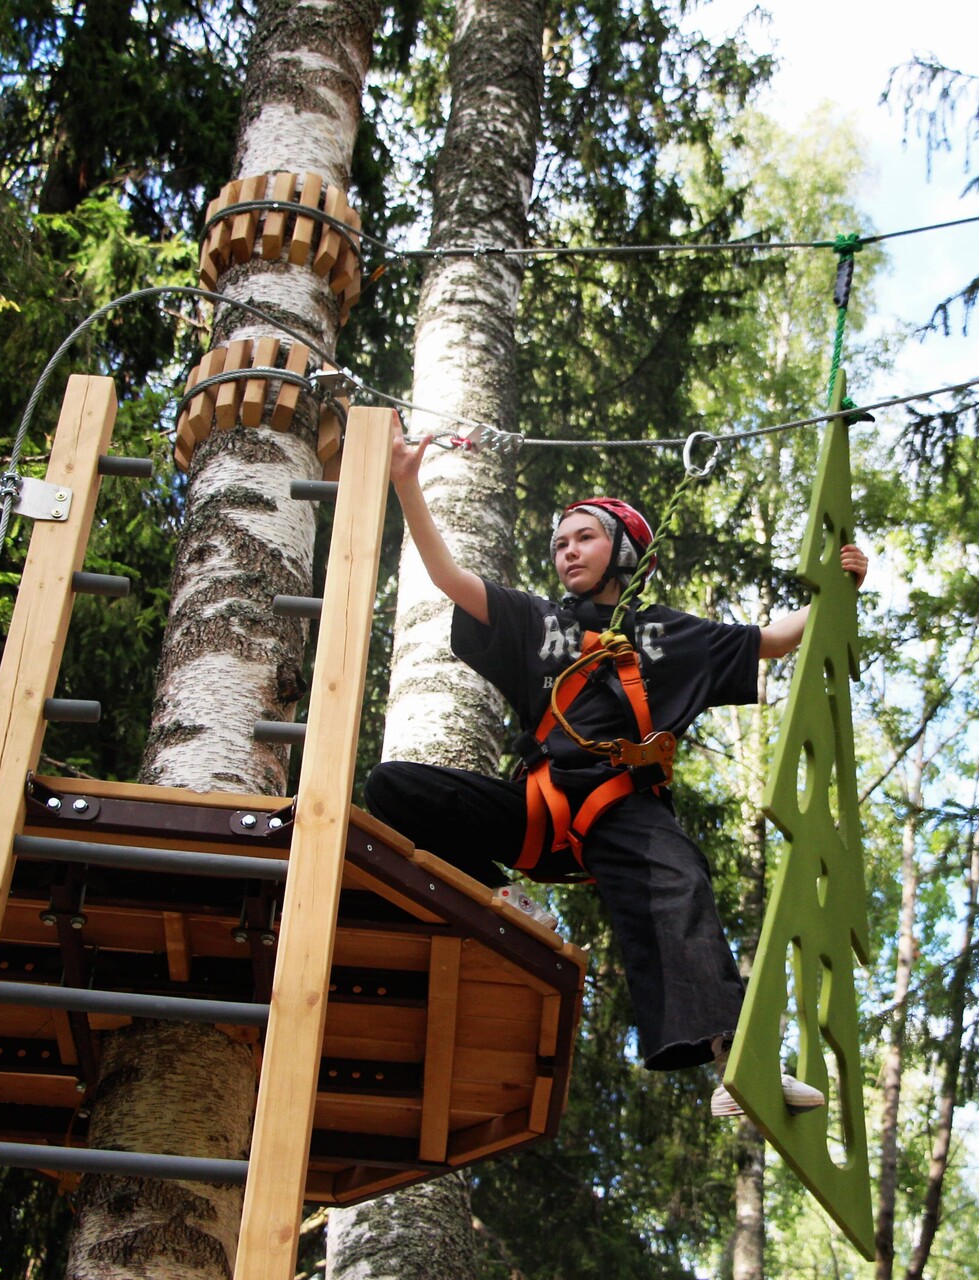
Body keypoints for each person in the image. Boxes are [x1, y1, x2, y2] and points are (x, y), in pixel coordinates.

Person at [365, 425, 867, 1118]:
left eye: (584, 538)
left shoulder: (672, 634)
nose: (568, 552)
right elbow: (450, 578)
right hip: (537, 808)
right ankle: (506, 903)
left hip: (621, 806)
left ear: (625, 550)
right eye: (561, 544)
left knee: (678, 884)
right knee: (394, 787)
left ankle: (737, 1063)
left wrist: (842, 588)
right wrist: (406, 486)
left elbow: (778, 640)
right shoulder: (537, 620)